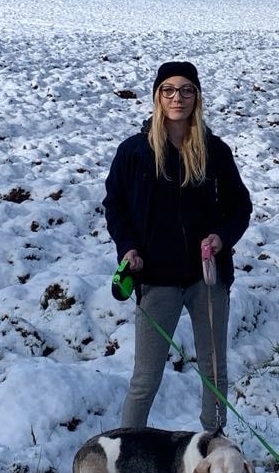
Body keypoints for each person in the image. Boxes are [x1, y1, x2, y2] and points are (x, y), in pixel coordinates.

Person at [104, 61, 252, 433]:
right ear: (157, 97)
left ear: (196, 97)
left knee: (214, 371)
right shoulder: (134, 152)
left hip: (207, 279)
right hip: (156, 279)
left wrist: (221, 237)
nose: (177, 98)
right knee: (146, 377)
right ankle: (127, 449)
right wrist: (128, 248)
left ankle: (214, 444)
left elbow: (239, 206)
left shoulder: (215, 150)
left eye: (187, 90)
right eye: (168, 90)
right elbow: (115, 206)